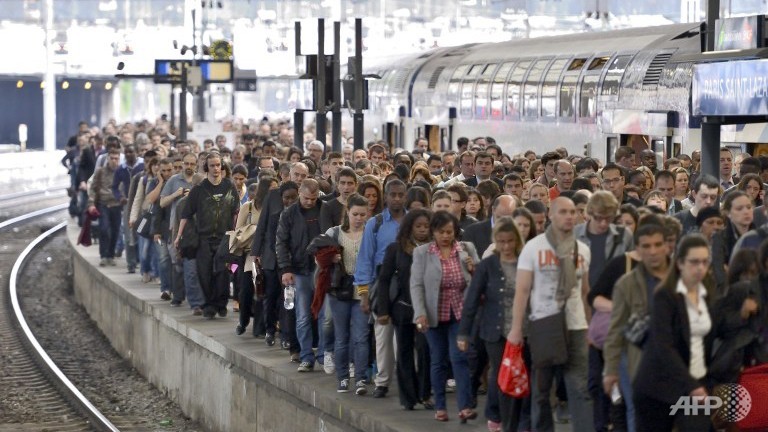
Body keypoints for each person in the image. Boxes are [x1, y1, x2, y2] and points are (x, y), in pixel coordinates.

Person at [507, 197, 594, 432]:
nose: (569, 216)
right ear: (551, 215)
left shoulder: (582, 249)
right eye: (563, 212)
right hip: (545, 323)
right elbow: (522, 291)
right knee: (542, 389)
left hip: (576, 325)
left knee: (579, 387)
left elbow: (585, 292)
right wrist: (516, 329)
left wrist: (589, 326)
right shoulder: (534, 248)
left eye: (573, 212)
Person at [633, 234, 714, 432]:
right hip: (658, 385)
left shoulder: (708, 290)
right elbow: (664, 346)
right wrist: (691, 385)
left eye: (705, 262)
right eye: (694, 262)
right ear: (679, 263)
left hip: (693, 381)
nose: (700, 268)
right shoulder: (665, 295)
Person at [459, 217, 528, 432]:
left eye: (510, 241)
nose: (506, 246)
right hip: (495, 331)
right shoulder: (488, 265)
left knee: (523, 375)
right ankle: (506, 422)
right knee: (503, 374)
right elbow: (472, 299)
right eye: (501, 242)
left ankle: (520, 421)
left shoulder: (526, 261)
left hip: (523, 331)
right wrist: (464, 333)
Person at [411, 211, 480, 422]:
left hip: (460, 312)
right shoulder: (423, 253)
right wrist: (420, 313)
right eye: (441, 232)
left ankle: (465, 406)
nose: (446, 236)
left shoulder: (466, 249)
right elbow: (417, 285)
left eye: (449, 232)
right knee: (438, 360)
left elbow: (480, 280)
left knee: (459, 357)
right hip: (434, 314)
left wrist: (473, 269)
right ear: (433, 232)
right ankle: (440, 406)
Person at [601, 222, 670, 432]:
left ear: (667, 246)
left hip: (673, 359)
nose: (653, 251)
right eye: (646, 246)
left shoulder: (681, 278)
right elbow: (615, 329)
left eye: (658, 244)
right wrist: (610, 370)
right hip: (633, 358)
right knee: (636, 410)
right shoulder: (626, 284)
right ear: (637, 249)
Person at [375, 209, 433, 410]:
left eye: (426, 226)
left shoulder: (434, 249)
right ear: (409, 227)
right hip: (403, 308)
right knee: (404, 352)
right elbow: (384, 280)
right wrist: (383, 310)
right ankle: (408, 397)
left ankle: (425, 393)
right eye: (418, 226)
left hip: (428, 310)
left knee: (426, 351)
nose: (423, 230)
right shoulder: (396, 249)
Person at [354, 179, 408, 398]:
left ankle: (406, 382)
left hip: (406, 283)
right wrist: (364, 294)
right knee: (382, 335)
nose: (396, 198)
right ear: (385, 197)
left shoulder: (413, 222)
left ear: (406, 196)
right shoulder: (374, 224)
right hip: (382, 284)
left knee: (405, 339)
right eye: (392, 194)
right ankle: (383, 381)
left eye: (400, 194)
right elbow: (365, 259)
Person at [313, 194, 371, 394]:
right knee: (341, 336)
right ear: (348, 212)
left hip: (363, 290)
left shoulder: (371, 233)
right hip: (339, 290)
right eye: (355, 214)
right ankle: (343, 378)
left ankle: (361, 378)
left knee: (361, 336)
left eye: (363, 214)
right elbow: (318, 258)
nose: (359, 218)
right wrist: (330, 258)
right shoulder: (334, 232)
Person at [175, 152, 240, 319]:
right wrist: (178, 236)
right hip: (203, 237)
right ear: (207, 168)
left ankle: (221, 303)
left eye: (218, 165)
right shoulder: (199, 190)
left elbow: (235, 212)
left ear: (222, 167)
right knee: (204, 273)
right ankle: (209, 305)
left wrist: (235, 233)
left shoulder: (229, 187)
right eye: (212, 165)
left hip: (224, 237)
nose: (216, 168)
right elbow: (186, 214)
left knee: (223, 272)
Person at [276, 178, 325, 372]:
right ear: (299, 193)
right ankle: (306, 355)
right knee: (303, 315)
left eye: (313, 199)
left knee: (323, 316)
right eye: (306, 198)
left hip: (322, 270)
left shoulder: (324, 209)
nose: (310, 202)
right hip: (299, 270)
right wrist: (286, 269)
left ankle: (322, 353)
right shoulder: (289, 214)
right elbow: (281, 242)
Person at [87, 148, 122, 267]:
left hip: (117, 206)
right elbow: (93, 188)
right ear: (107, 158)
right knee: (104, 229)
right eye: (111, 158)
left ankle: (111, 255)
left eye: (116, 158)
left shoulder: (122, 172)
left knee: (115, 231)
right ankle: (103, 255)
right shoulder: (100, 172)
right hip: (103, 204)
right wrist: (91, 204)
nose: (114, 161)